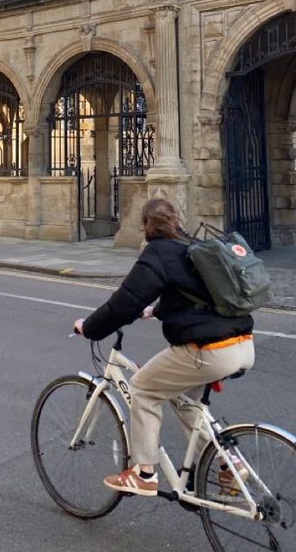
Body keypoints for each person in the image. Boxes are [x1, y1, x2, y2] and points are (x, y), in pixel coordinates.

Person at [73, 197, 255, 497]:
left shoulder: (157, 253)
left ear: (145, 224)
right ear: (176, 220)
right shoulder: (193, 247)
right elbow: (194, 294)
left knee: (143, 389)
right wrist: (155, 310)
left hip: (207, 350)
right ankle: (228, 463)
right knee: (186, 401)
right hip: (242, 344)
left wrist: (89, 327)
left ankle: (143, 473)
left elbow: (124, 303)